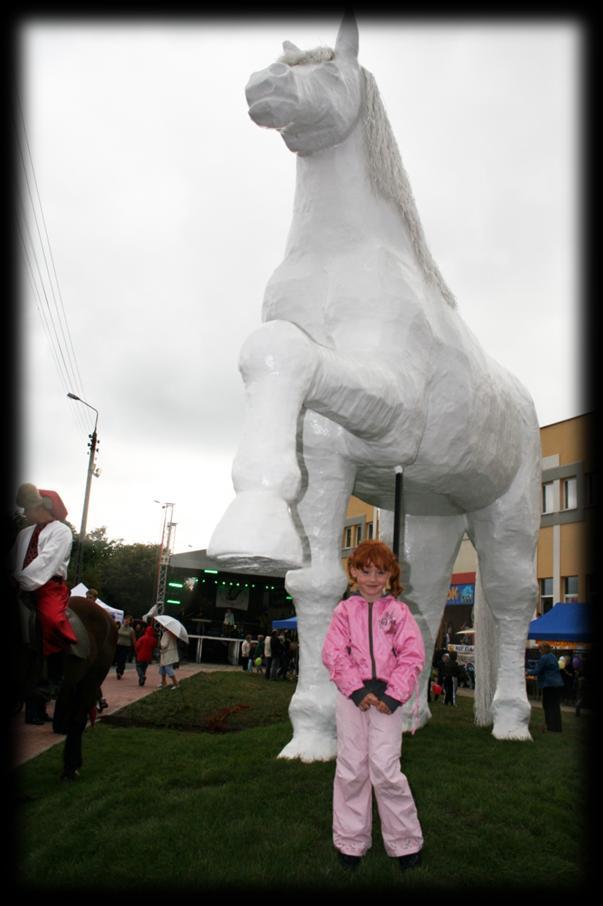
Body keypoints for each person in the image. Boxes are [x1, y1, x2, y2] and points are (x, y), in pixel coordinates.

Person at [322, 540, 424, 873]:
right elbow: (334, 654)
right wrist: (356, 690)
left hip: (387, 703)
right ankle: (351, 842)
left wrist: (392, 695)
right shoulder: (343, 611)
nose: (372, 578)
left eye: (380, 572)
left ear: (390, 575)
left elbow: (411, 656)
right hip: (353, 699)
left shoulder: (398, 612)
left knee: (385, 768)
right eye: (365, 571)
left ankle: (405, 842)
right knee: (352, 767)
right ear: (352, 571)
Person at [11, 483, 78, 657]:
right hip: (18, 583)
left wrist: (20, 579)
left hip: (48, 588)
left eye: (28, 509)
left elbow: (47, 561)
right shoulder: (24, 533)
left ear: (40, 507)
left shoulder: (61, 531)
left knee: (51, 620)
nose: (25, 513)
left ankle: (54, 677)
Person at [535, 642, 564, 732]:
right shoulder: (553, 656)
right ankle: (557, 727)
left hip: (549, 684)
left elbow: (537, 670)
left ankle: (550, 726)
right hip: (557, 684)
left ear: (544, 649)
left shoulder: (544, 658)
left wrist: (526, 672)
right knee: (555, 706)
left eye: (540, 649)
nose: (539, 651)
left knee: (547, 705)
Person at [135, 621, 158, 686]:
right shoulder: (154, 640)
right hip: (148, 656)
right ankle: (141, 681)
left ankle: (142, 676)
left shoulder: (142, 638)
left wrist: (137, 652)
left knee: (138, 667)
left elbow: (137, 646)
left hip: (140, 655)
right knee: (144, 668)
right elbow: (154, 647)